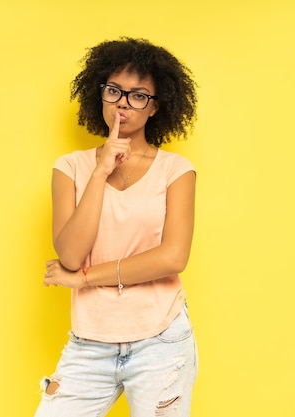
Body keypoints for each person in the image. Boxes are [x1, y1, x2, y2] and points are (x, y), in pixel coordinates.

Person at [35, 37, 199, 417]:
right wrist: (100, 172)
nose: (123, 102)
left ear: (156, 106)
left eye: (138, 95)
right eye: (114, 91)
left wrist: (86, 279)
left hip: (162, 338)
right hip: (90, 342)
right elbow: (71, 255)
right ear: (102, 96)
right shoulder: (70, 168)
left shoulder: (176, 170)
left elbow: (173, 257)